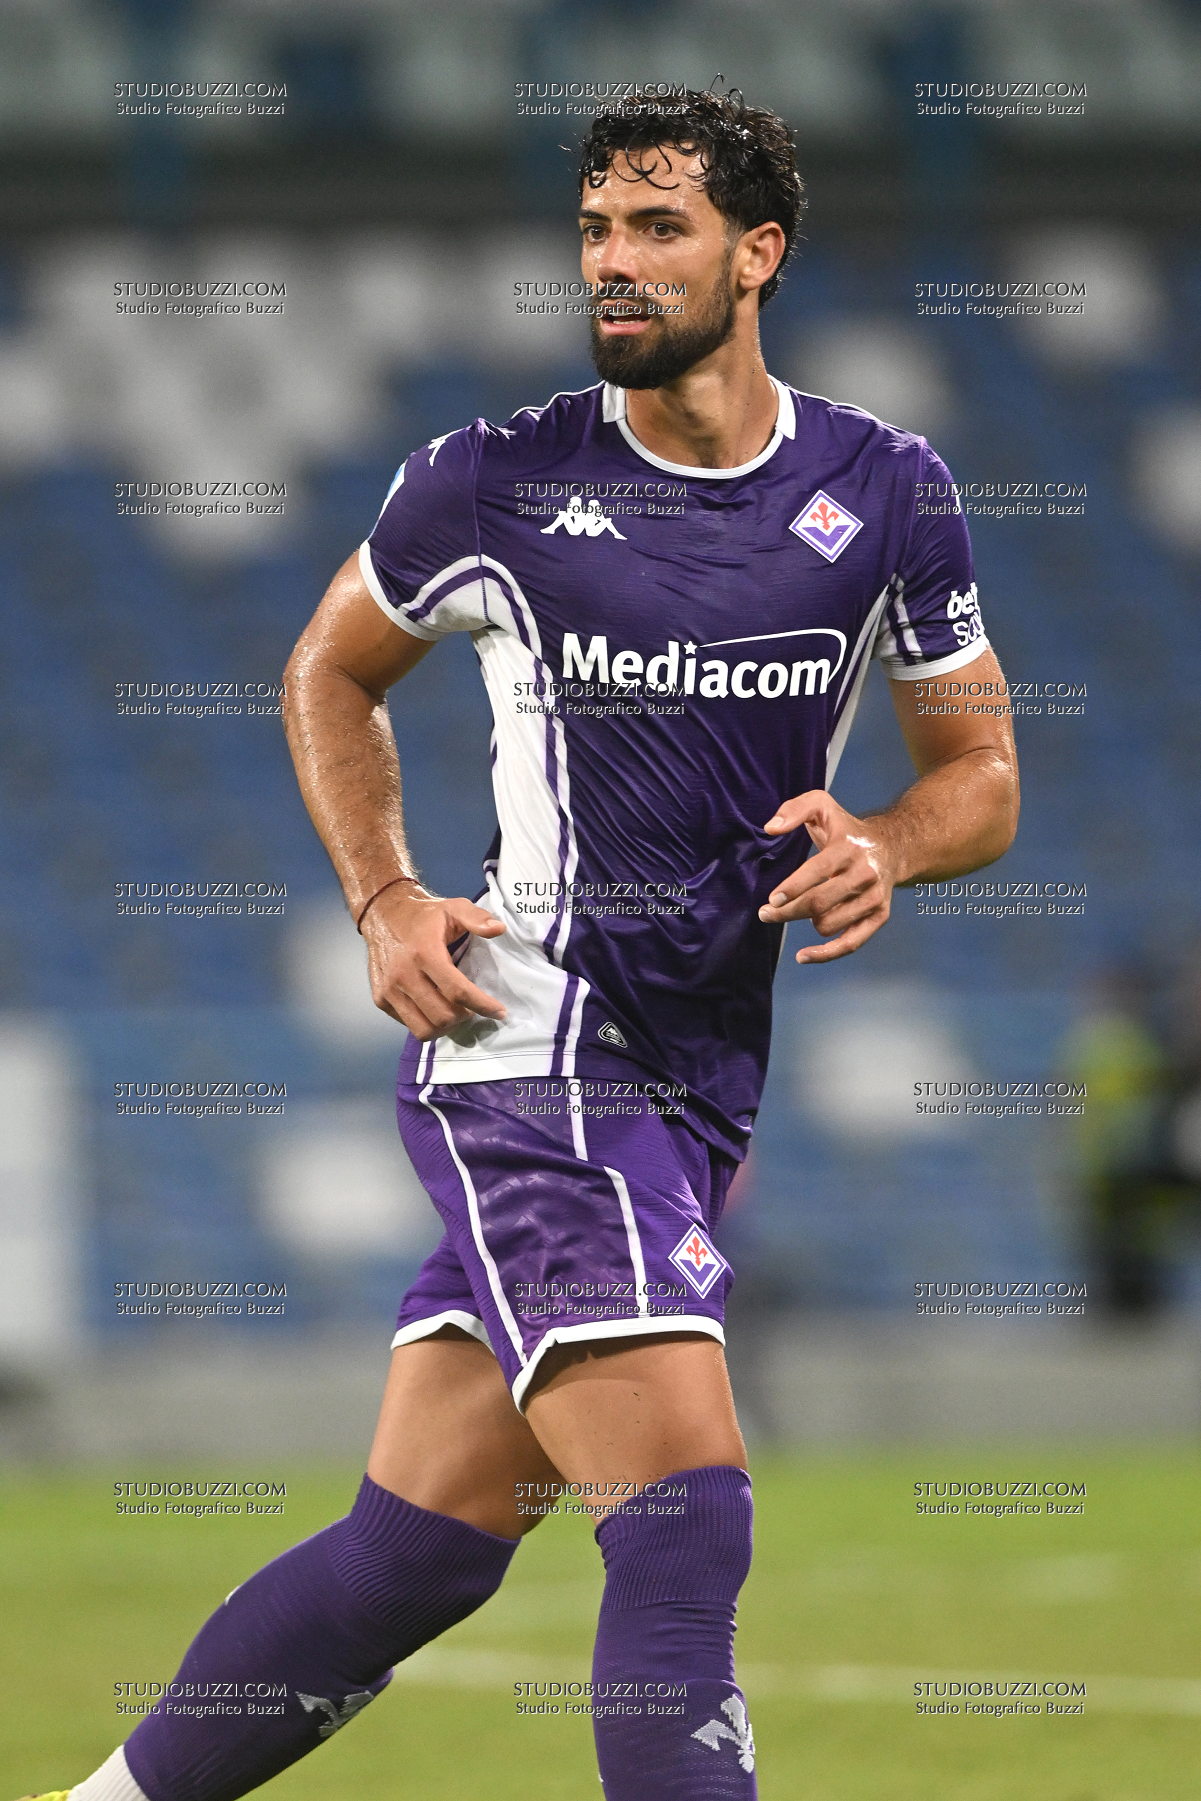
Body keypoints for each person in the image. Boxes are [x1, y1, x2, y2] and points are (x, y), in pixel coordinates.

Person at [30, 86, 1018, 1801]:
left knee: (414, 1551)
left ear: (757, 253)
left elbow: (981, 775)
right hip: (534, 1051)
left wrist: (888, 842)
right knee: (684, 1518)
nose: (613, 262)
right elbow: (329, 669)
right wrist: (386, 896)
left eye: (657, 228)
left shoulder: (888, 489)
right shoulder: (492, 478)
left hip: (699, 1081)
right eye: (595, 230)